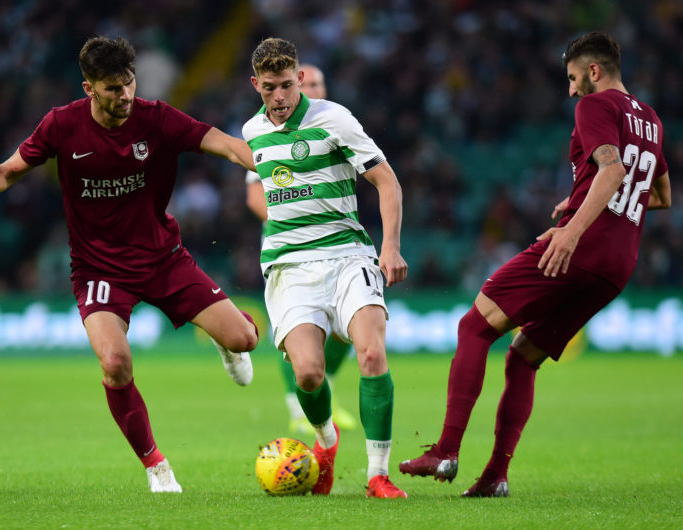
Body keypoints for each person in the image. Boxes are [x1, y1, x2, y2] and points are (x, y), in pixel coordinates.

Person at [0, 36, 260, 494]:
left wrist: (264, 162)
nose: (124, 95)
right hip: (99, 270)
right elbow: (8, 171)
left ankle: (225, 342)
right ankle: (155, 464)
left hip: (163, 259)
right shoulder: (61, 125)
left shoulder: (157, 118)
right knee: (115, 362)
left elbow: (224, 143)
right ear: (88, 88)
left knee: (245, 337)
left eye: (128, 83)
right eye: (111, 88)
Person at [399, 31, 671, 497]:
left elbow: (611, 171)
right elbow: (660, 195)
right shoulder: (651, 121)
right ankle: (495, 477)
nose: (570, 91)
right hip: (619, 264)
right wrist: (582, 200)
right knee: (524, 358)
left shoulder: (594, 106)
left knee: (473, 327)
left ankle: (445, 450)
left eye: (571, 78)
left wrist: (571, 229)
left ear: (593, 71)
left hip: (583, 248)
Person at [243, 38, 409, 498]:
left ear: (300, 79)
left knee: (372, 355)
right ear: (256, 85)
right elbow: (255, 191)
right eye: (269, 87)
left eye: (287, 85)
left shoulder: (333, 118)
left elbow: (386, 180)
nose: (280, 97)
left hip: (347, 255)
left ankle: (378, 473)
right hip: (290, 268)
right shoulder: (252, 132)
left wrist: (390, 247)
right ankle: (327, 445)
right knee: (309, 375)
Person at [244, 63, 356, 436]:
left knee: (345, 331)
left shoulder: (336, 123)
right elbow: (255, 191)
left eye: (321, 82)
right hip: (288, 245)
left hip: (336, 243)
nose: (316, 89)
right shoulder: (266, 131)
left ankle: (328, 392)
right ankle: (297, 407)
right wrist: (287, 215)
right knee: (293, 330)